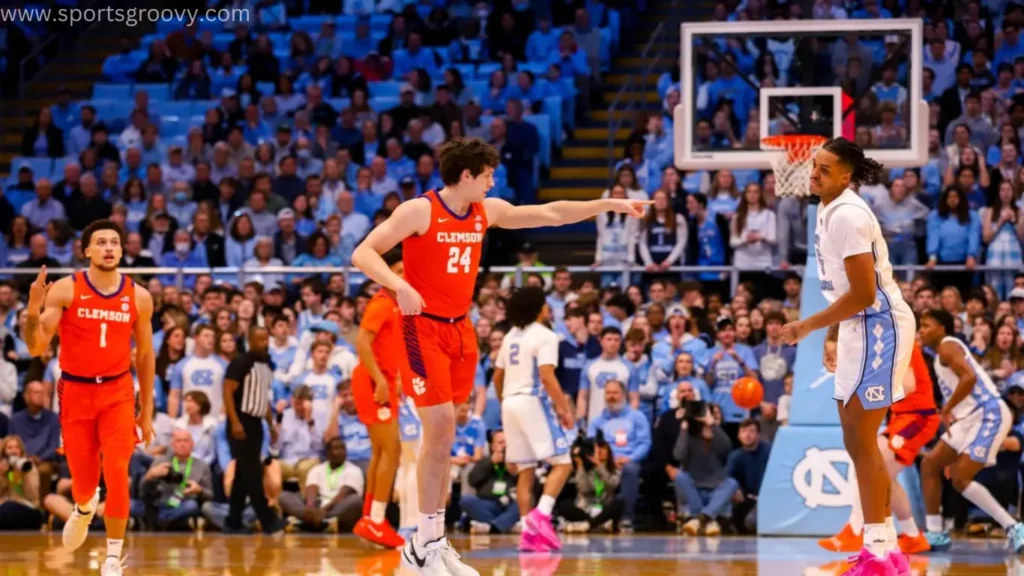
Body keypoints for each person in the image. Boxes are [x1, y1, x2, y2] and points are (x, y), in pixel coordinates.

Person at [351, 137, 647, 575]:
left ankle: (429, 542)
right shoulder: (419, 210)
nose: (493, 181)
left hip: (461, 330)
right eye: (487, 174)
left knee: (445, 437)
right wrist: (400, 286)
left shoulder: (484, 212)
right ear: (466, 175)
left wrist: (606, 206)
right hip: (422, 329)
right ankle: (423, 545)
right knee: (440, 428)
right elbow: (363, 253)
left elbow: (548, 214)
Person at [781, 137, 915, 573]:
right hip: (859, 325)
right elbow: (843, 291)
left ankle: (877, 548)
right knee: (855, 440)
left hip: (881, 326)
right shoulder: (827, 208)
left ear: (846, 176)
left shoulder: (850, 216)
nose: (813, 172)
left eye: (824, 168)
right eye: (813, 165)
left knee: (863, 439)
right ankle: (884, 546)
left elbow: (862, 293)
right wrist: (832, 335)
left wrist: (807, 326)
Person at [22, 220, 155, 576]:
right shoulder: (66, 290)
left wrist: (148, 411)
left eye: (115, 242)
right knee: (83, 483)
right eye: (101, 242)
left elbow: (144, 355)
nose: (109, 247)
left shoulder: (139, 296)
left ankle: (113, 556)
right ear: (87, 251)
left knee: (117, 469)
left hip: (118, 392)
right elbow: (36, 347)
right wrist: (33, 309)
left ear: (122, 250)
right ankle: (83, 507)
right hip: (75, 392)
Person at [916, 309, 1024, 552]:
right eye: (920, 325)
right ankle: (935, 533)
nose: (921, 329)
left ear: (942, 328)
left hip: (989, 413)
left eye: (927, 324)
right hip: (969, 418)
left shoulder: (947, 346)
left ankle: (1013, 526)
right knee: (930, 465)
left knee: (960, 477)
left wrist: (947, 409)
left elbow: (969, 379)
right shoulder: (939, 355)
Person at [819, 341, 938, 554]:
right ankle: (912, 536)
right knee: (883, 477)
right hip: (902, 418)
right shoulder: (883, 346)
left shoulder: (901, 341)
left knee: (870, 466)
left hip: (917, 417)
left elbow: (908, 385)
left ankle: (856, 528)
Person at [492, 286, 575, 551]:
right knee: (563, 463)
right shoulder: (546, 335)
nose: (549, 308)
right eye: (546, 304)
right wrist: (564, 409)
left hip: (509, 402)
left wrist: (507, 401)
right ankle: (542, 514)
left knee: (525, 470)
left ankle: (528, 531)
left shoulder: (510, 336)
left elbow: (497, 377)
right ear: (539, 308)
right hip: (531, 400)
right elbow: (547, 376)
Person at [351, 248, 406, 548]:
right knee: (392, 451)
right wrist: (382, 380)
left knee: (381, 453)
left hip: (381, 380)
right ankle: (376, 519)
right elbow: (362, 341)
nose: (404, 277)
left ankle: (370, 516)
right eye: (399, 272)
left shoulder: (396, 304)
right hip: (374, 382)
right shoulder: (383, 303)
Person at [222, 326, 286, 535]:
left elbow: (262, 398)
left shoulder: (266, 365)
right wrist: (234, 422)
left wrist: (270, 423)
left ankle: (233, 522)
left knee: (242, 475)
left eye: (266, 339)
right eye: (259, 339)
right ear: (250, 340)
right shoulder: (241, 363)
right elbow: (227, 392)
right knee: (253, 473)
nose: (264, 343)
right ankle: (268, 521)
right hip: (241, 421)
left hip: (257, 423)